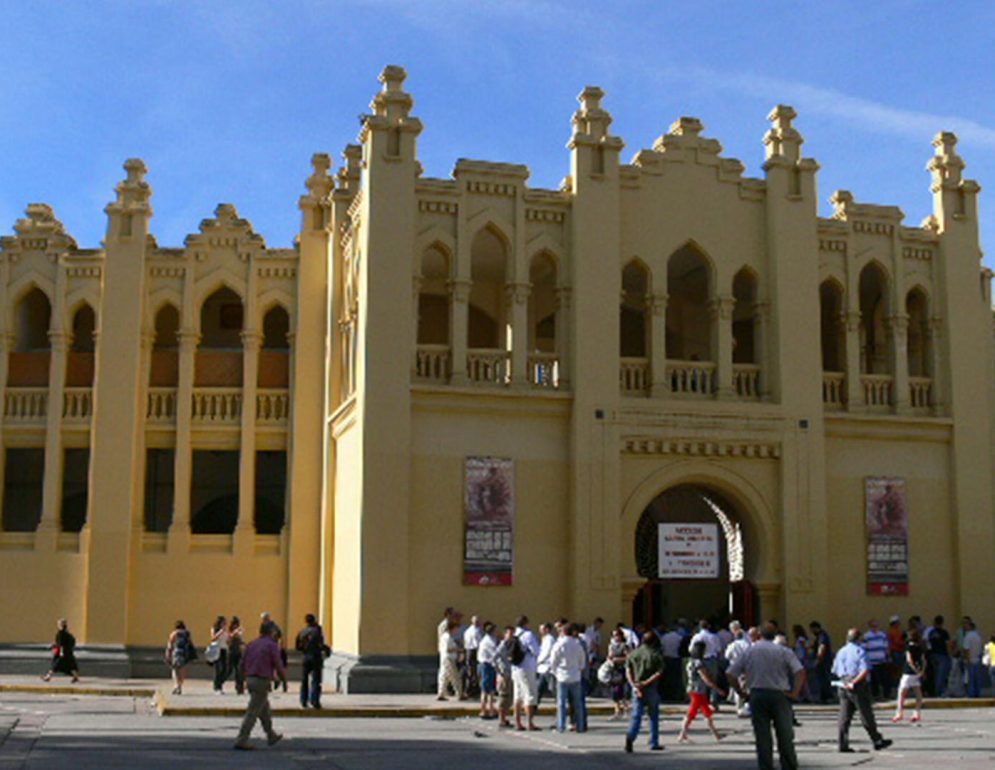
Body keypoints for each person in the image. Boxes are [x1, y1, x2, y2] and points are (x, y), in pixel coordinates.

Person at [727, 622, 806, 770]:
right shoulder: (783, 651)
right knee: (785, 734)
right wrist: (795, 693)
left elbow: (731, 674)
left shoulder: (750, 651)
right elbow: (800, 672)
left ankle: (765, 766)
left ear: (758, 635)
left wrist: (741, 693)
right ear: (775, 634)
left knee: (762, 736)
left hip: (757, 693)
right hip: (780, 694)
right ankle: (788, 765)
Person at [831, 628, 892, 753]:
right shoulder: (860, 651)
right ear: (858, 639)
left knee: (844, 716)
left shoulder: (841, 651)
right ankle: (877, 740)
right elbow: (865, 670)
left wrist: (845, 680)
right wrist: (854, 681)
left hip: (843, 683)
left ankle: (842, 743)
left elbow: (835, 670)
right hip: (857, 684)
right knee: (866, 714)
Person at [234, 621, 285, 751]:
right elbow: (278, 664)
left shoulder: (252, 644)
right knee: (253, 711)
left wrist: (239, 682)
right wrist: (283, 680)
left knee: (264, 709)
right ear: (271, 632)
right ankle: (242, 739)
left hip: (250, 679)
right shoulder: (271, 645)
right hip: (261, 680)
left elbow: (241, 664)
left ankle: (270, 734)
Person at [624, 631, 665, 753]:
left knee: (636, 715)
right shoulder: (655, 654)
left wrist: (634, 685)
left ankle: (630, 736)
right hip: (650, 687)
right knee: (653, 716)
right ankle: (653, 742)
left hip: (636, 687)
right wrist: (646, 682)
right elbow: (659, 672)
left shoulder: (633, 654)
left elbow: (628, 671)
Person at [677, 641, 725, 743]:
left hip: (693, 688)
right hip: (698, 689)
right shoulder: (699, 663)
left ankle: (716, 734)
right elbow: (704, 677)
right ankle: (682, 734)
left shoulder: (690, 662)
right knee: (692, 712)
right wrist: (716, 688)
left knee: (706, 711)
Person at [550, 622, 587, 733]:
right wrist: (578, 669)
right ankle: (580, 726)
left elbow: (553, 661)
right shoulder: (578, 645)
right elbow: (582, 662)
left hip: (562, 676)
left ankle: (561, 726)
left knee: (561, 703)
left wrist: (555, 672)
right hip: (575, 676)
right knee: (578, 703)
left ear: (563, 632)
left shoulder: (559, 644)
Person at [512, 615, 540, 730]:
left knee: (517, 695)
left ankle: (517, 722)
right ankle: (529, 722)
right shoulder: (528, 635)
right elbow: (536, 651)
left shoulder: (514, 635)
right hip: (527, 667)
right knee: (529, 695)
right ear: (526, 624)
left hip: (515, 667)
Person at [295, 613, 328, 709]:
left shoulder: (302, 632)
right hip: (315, 657)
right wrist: (326, 650)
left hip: (305, 657)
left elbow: (298, 647)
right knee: (316, 680)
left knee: (304, 680)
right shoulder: (317, 632)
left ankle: (303, 700)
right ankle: (314, 700)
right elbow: (321, 644)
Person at [892, 628, 925, 723]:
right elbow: (923, 660)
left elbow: (909, 660)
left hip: (907, 673)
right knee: (918, 694)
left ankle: (899, 713)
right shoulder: (920, 647)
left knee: (901, 693)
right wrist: (921, 671)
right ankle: (917, 712)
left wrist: (914, 669)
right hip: (916, 674)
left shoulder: (908, 647)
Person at [725, 623, 753, 716]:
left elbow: (727, 656)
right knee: (746, 687)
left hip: (734, 666)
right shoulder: (747, 644)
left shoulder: (732, 645)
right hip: (746, 667)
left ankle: (739, 707)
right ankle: (746, 707)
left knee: (737, 688)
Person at [42, 618, 80, 683]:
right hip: (68, 652)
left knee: (55, 665)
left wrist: (61, 652)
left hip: (62, 653)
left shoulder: (61, 633)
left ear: (60, 625)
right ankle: (75, 677)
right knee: (71, 665)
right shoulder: (67, 633)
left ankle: (48, 677)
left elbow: (61, 643)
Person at [494, 626, 516, 728]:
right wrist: (499, 671)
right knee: (504, 697)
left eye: (512, 633)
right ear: (505, 634)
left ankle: (504, 718)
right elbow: (494, 659)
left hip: (510, 673)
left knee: (509, 698)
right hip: (504, 674)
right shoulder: (502, 645)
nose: (511, 636)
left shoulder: (512, 645)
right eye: (509, 633)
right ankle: (501, 719)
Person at [260, 612, 288, 692]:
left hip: (274, 648)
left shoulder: (274, 626)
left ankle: (283, 683)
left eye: (264, 619)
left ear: (267, 618)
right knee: (267, 666)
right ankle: (269, 685)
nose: (262, 620)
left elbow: (279, 637)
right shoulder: (263, 626)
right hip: (266, 648)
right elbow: (261, 637)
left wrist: (279, 648)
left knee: (278, 667)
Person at [863, 619, 890, 700]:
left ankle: (886, 695)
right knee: (874, 679)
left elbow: (886, 647)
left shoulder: (882, 635)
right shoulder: (866, 636)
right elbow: (863, 648)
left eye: (876, 626)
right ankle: (876, 695)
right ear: (870, 626)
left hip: (882, 661)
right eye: (873, 626)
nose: (875, 628)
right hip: (872, 662)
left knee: (884, 678)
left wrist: (888, 656)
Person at [164, 620, 194, 694]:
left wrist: (168, 654)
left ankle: (176, 686)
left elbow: (170, 645)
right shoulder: (187, 633)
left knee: (175, 669)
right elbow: (190, 643)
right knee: (182, 670)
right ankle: (180, 685)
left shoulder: (174, 633)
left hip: (176, 652)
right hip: (184, 653)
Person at [437, 619, 463, 700]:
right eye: (455, 629)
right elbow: (448, 649)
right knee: (455, 676)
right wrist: (458, 650)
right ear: (452, 628)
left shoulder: (445, 636)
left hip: (444, 659)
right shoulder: (448, 637)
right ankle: (459, 693)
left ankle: (441, 693)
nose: (456, 631)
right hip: (448, 659)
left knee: (444, 676)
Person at [476, 622, 498, 719]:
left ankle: (491, 709)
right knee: (485, 690)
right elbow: (494, 654)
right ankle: (483, 710)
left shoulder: (489, 640)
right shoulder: (488, 641)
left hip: (487, 665)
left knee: (491, 690)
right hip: (486, 665)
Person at [606, 627, 630, 719]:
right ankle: (617, 710)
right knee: (614, 692)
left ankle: (625, 709)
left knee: (619, 690)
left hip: (621, 670)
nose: (615, 637)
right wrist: (609, 658)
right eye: (613, 636)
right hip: (614, 670)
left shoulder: (624, 646)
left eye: (616, 635)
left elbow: (628, 657)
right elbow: (609, 656)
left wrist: (619, 660)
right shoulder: (612, 646)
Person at [926, 615, 952, 697]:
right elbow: (947, 645)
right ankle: (939, 692)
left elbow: (928, 644)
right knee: (941, 675)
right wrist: (950, 655)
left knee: (935, 674)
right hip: (942, 655)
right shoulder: (944, 633)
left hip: (933, 655)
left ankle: (933, 691)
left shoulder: (931, 633)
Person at [809, 621, 833, 703]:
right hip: (823, 661)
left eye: (812, 629)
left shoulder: (822, 635)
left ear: (816, 628)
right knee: (823, 678)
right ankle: (825, 696)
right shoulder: (820, 636)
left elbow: (821, 647)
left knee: (823, 679)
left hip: (823, 661)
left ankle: (826, 697)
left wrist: (818, 660)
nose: (811, 631)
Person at [661, 623, 684, 702]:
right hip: (676, 659)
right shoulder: (679, 637)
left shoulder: (664, 637)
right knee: (676, 678)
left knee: (667, 677)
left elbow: (662, 648)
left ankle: (667, 695)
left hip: (666, 658)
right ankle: (675, 695)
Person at [961, 619, 983, 698]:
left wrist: (967, 659)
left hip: (970, 659)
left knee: (970, 679)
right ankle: (978, 693)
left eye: (966, 625)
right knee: (977, 678)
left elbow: (966, 649)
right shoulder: (978, 636)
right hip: (977, 658)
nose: (964, 627)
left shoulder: (968, 636)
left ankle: (971, 694)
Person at [535, 622, 556, 705]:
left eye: (542, 629)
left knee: (551, 688)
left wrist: (538, 661)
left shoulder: (549, 639)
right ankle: (534, 706)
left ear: (547, 629)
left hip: (547, 667)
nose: (540, 631)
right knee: (539, 688)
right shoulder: (545, 639)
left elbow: (546, 653)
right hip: (542, 668)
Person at [462, 615, 482, 697]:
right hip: (474, 651)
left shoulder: (467, 631)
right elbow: (478, 643)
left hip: (467, 651)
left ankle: (469, 689)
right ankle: (472, 690)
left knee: (469, 671)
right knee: (474, 672)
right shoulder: (476, 631)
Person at [209, 615, 229, 694]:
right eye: (223, 622)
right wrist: (220, 632)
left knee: (224, 669)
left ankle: (219, 683)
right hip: (217, 649)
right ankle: (217, 687)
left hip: (224, 649)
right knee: (218, 668)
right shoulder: (214, 629)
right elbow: (213, 638)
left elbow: (228, 639)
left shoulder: (225, 630)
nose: (225, 624)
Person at [228, 617, 245, 695]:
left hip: (239, 653)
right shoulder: (230, 631)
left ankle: (240, 687)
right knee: (230, 669)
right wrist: (235, 632)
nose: (236, 626)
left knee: (239, 670)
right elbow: (229, 638)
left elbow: (241, 638)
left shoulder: (240, 630)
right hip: (231, 652)